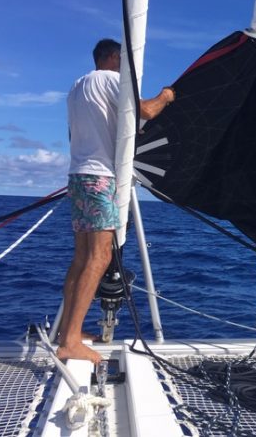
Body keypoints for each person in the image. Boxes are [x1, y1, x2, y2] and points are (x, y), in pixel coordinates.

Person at [59, 38, 175, 364]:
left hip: (79, 175)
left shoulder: (77, 87)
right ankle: (70, 341)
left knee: (81, 257)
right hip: (101, 177)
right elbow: (147, 110)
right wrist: (166, 96)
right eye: (124, 60)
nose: (127, 67)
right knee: (99, 257)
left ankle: (66, 332)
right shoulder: (111, 80)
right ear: (112, 57)